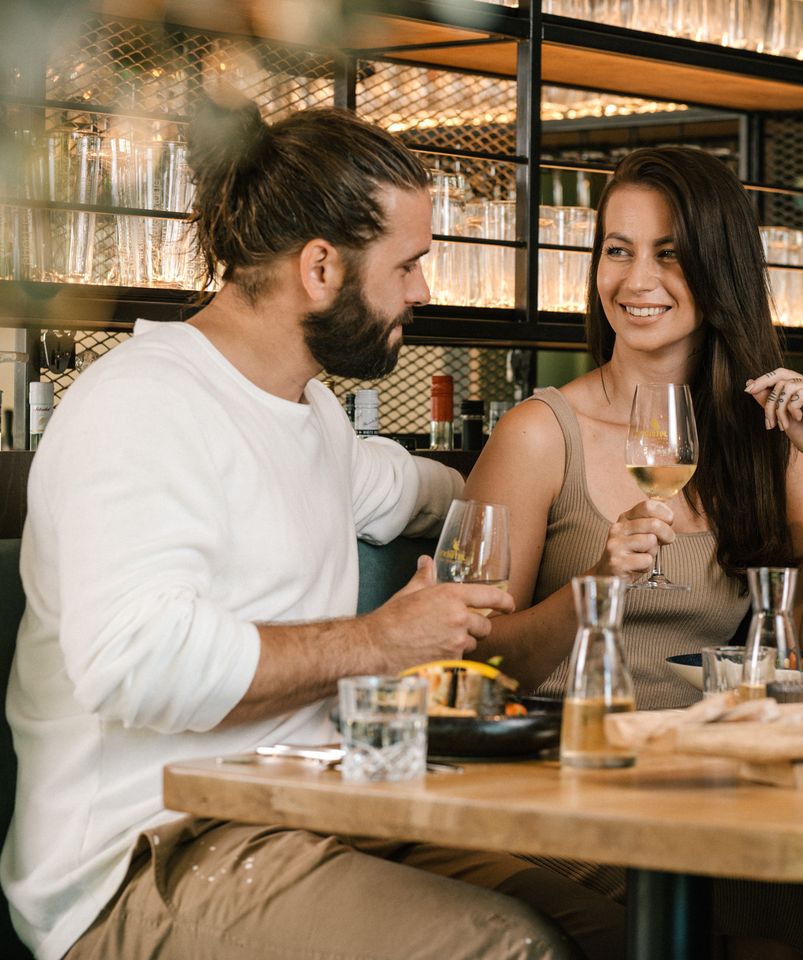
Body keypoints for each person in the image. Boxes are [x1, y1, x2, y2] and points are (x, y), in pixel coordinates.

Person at [0, 98, 623, 960]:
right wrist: (379, 640)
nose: (423, 290)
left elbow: (414, 489)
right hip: (150, 856)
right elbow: (135, 663)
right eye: (407, 265)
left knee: (616, 924)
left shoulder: (314, 417)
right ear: (321, 268)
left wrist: (557, 481)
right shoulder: (139, 406)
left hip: (319, 812)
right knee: (503, 947)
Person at [464, 146, 803, 958]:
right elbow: (475, 664)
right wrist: (594, 586)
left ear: (718, 269)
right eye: (617, 250)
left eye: (668, 254)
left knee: (779, 895)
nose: (635, 279)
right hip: (571, 794)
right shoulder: (541, 435)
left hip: (714, 789)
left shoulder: (767, 441)